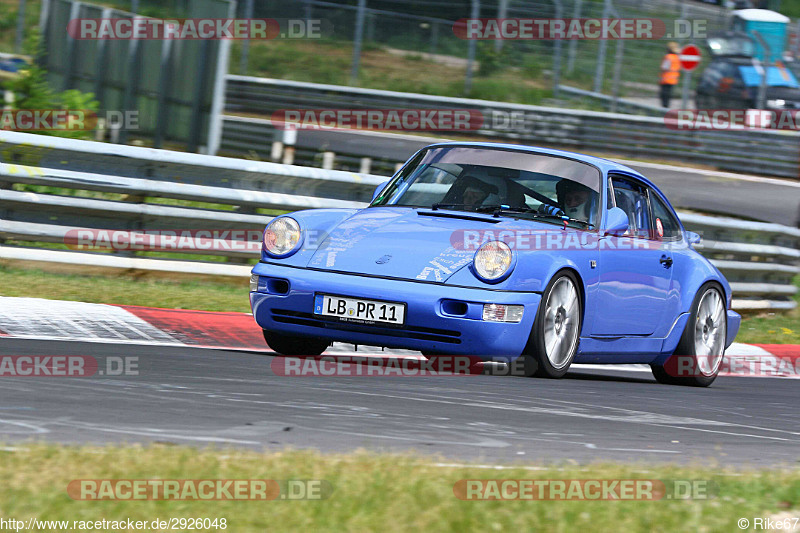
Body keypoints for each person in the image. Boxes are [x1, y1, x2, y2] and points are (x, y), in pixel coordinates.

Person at [659, 42, 681, 109]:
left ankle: (664, 108)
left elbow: (664, 67)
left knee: (664, 95)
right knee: (669, 94)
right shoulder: (677, 57)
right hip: (673, 79)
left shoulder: (668, 57)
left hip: (666, 79)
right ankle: (667, 107)